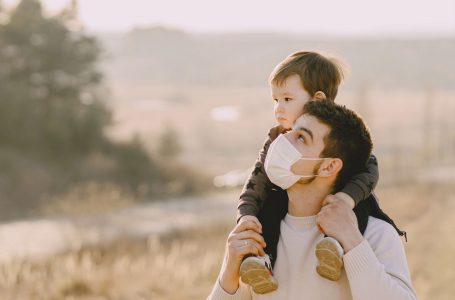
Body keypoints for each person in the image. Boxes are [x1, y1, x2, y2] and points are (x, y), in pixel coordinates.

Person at [208, 100, 417, 299]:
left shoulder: (374, 233)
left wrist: (353, 242)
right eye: (291, 131)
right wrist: (228, 272)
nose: (282, 140)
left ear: (329, 166)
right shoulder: (259, 239)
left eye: (301, 138)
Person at [236, 51, 404, 294]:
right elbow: (256, 182)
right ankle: (261, 262)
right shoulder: (276, 137)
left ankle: (335, 248)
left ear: (317, 99)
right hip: (282, 216)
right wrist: (246, 216)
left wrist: (345, 201)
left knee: (358, 209)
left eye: (287, 99)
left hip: (346, 205)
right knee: (267, 214)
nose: (278, 109)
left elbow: (368, 172)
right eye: (275, 100)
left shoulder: (347, 139)